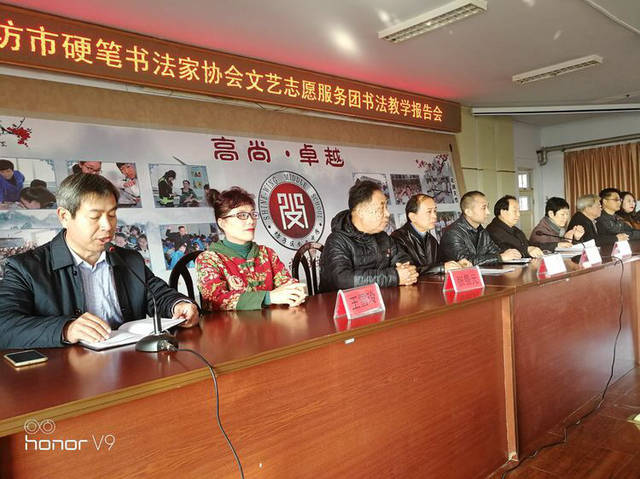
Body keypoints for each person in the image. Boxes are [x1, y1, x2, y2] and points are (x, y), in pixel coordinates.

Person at [0, 173, 199, 349]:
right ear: (64, 216)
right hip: (68, 372)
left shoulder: (129, 259)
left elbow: (158, 295)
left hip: (132, 363)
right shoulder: (25, 268)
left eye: (112, 215)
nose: (108, 226)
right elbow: (5, 326)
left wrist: (178, 305)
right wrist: (66, 329)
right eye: (95, 217)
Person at [196, 186, 307, 310]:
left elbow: (286, 282)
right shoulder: (208, 259)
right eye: (242, 215)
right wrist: (269, 297)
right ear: (222, 223)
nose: (251, 221)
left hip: (271, 320)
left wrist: (295, 291)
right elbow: (215, 299)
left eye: (252, 214)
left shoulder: (267, 253)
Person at [319, 180, 417, 293]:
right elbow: (343, 280)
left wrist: (406, 272)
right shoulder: (337, 240)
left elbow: (405, 261)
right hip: (341, 303)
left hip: (381, 299)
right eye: (381, 208)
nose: (387, 214)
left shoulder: (383, 237)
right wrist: (395, 276)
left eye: (386, 207)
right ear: (360, 211)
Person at [391, 193, 470, 274]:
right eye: (429, 211)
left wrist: (457, 264)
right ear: (413, 217)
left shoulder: (431, 240)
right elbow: (408, 272)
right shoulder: (397, 238)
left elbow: (441, 263)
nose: (434, 216)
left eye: (435, 211)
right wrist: (442, 268)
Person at [440, 191, 521, 265]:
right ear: (468, 212)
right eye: (483, 208)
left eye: (487, 207)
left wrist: (508, 254)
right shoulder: (453, 233)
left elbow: (495, 252)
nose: (488, 212)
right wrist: (500, 257)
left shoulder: (482, 231)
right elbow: (465, 263)